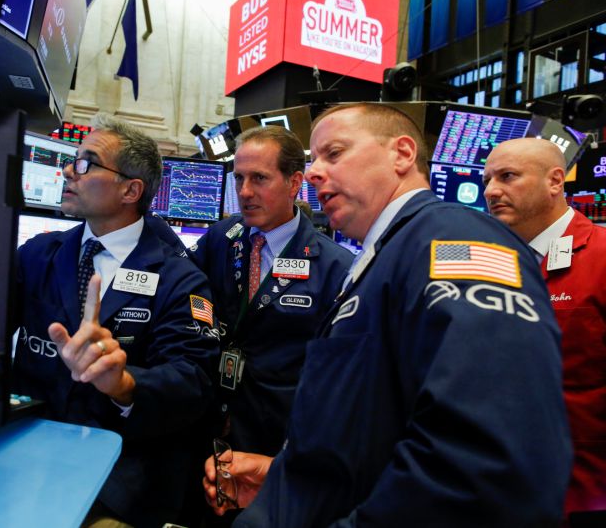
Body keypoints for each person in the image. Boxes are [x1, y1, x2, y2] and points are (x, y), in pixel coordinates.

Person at [203, 103, 572, 527]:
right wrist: (290, 476)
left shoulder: (453, 243)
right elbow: (376, 425)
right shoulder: (382, 259)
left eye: (334, 153)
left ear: (401, 154)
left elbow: (491, 463)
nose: (317, 172)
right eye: (315, 159)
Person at [12, 113, 220, 528]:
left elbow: (193, 381)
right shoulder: (38, 253)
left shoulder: (180, 279)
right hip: (24, 456)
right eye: (73, 159)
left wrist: (124, 385)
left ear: (130, 190)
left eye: (87, 162)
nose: (69, 170)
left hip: (120, 478)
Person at [188, 125, 354, 458]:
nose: (244, 192)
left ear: (294, 183)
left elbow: (338, 378)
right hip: (202, 425)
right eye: (238, 178)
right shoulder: (221, 238)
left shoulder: (335, 267)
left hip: (275, 438)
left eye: (259, 179)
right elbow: (183, 288)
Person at [484, 137, 606, 519]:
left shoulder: (602, 256)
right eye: (487, 179)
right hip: (500, 486)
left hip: (586, 493)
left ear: (555, 182)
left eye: (507, 176)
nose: (490, 191)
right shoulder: (487, 262)